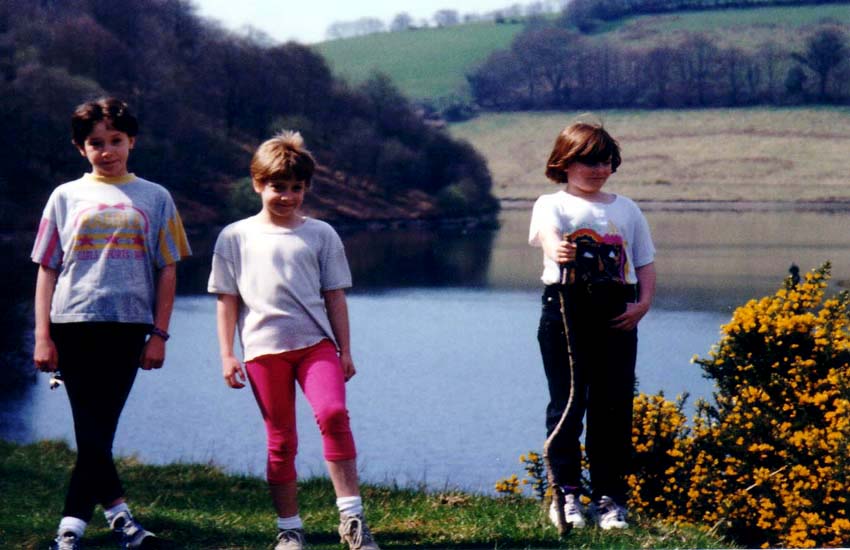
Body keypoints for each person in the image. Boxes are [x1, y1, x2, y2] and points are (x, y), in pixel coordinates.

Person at [32, 97, 191, 550]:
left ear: (131, 141)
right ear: (81, 148)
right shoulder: (64, 197)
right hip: (73, 322)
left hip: (127, 326)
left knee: (98, 432)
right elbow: (46, 268)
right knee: (92, 430)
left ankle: (87, 527)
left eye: (115, 140)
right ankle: (93, 527)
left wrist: (158, 334)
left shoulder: (156, 197)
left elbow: (168, 268)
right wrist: (42, 335)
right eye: (95, 143)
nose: (107, 150)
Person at [208, 131, 380, 550]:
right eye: (277, 187)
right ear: (257, 184)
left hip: (315, 346)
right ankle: (289, 528)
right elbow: (227, 301)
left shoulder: (321, 234)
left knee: (334, 413)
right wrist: (228, 353)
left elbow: (334, 296)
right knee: (281, 441)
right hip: (263, 352)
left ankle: (353, 521)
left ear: (306, 188)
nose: (287, 196)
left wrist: (345, 350)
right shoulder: (234, 237)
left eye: (296, 188)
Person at [528, 120, 656, 532]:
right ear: (564, 162)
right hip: (565, 311)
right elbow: (546, 235)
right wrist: (556, 246)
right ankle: (565, 494)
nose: (599, 169)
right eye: (588, 161)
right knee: (568, 405)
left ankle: (609, 499)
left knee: (614, 407)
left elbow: (645, 261)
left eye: (606, 161)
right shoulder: (552, 203)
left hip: (618, 312)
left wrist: (644, 304)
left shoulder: (627, 208)